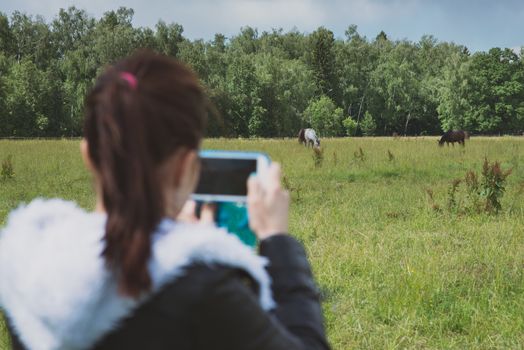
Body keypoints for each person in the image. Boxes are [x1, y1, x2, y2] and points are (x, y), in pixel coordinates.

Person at [0, 51, 330, 350]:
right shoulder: (204, 288)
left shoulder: (26, 273)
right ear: (188, 166)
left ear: (89, 155)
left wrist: (179, 240)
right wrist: (277, 241)